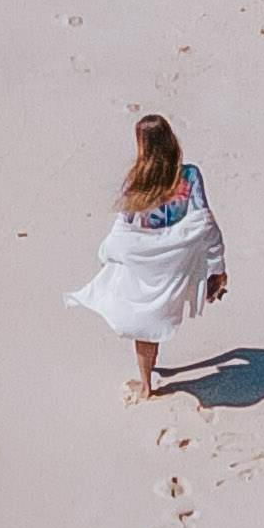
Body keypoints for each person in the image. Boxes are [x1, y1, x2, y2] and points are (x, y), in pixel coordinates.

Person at [67, 112, 228, 398]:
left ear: (142, 146)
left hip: (146, 259)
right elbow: (205, 221)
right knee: (156, 317)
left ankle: (146, 385)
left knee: (145, 321)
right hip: (176, 259)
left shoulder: (136, 181)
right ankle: (148, 379)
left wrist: (108, 253)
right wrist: (217, 268)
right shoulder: (189, 175)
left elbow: (124, 224)